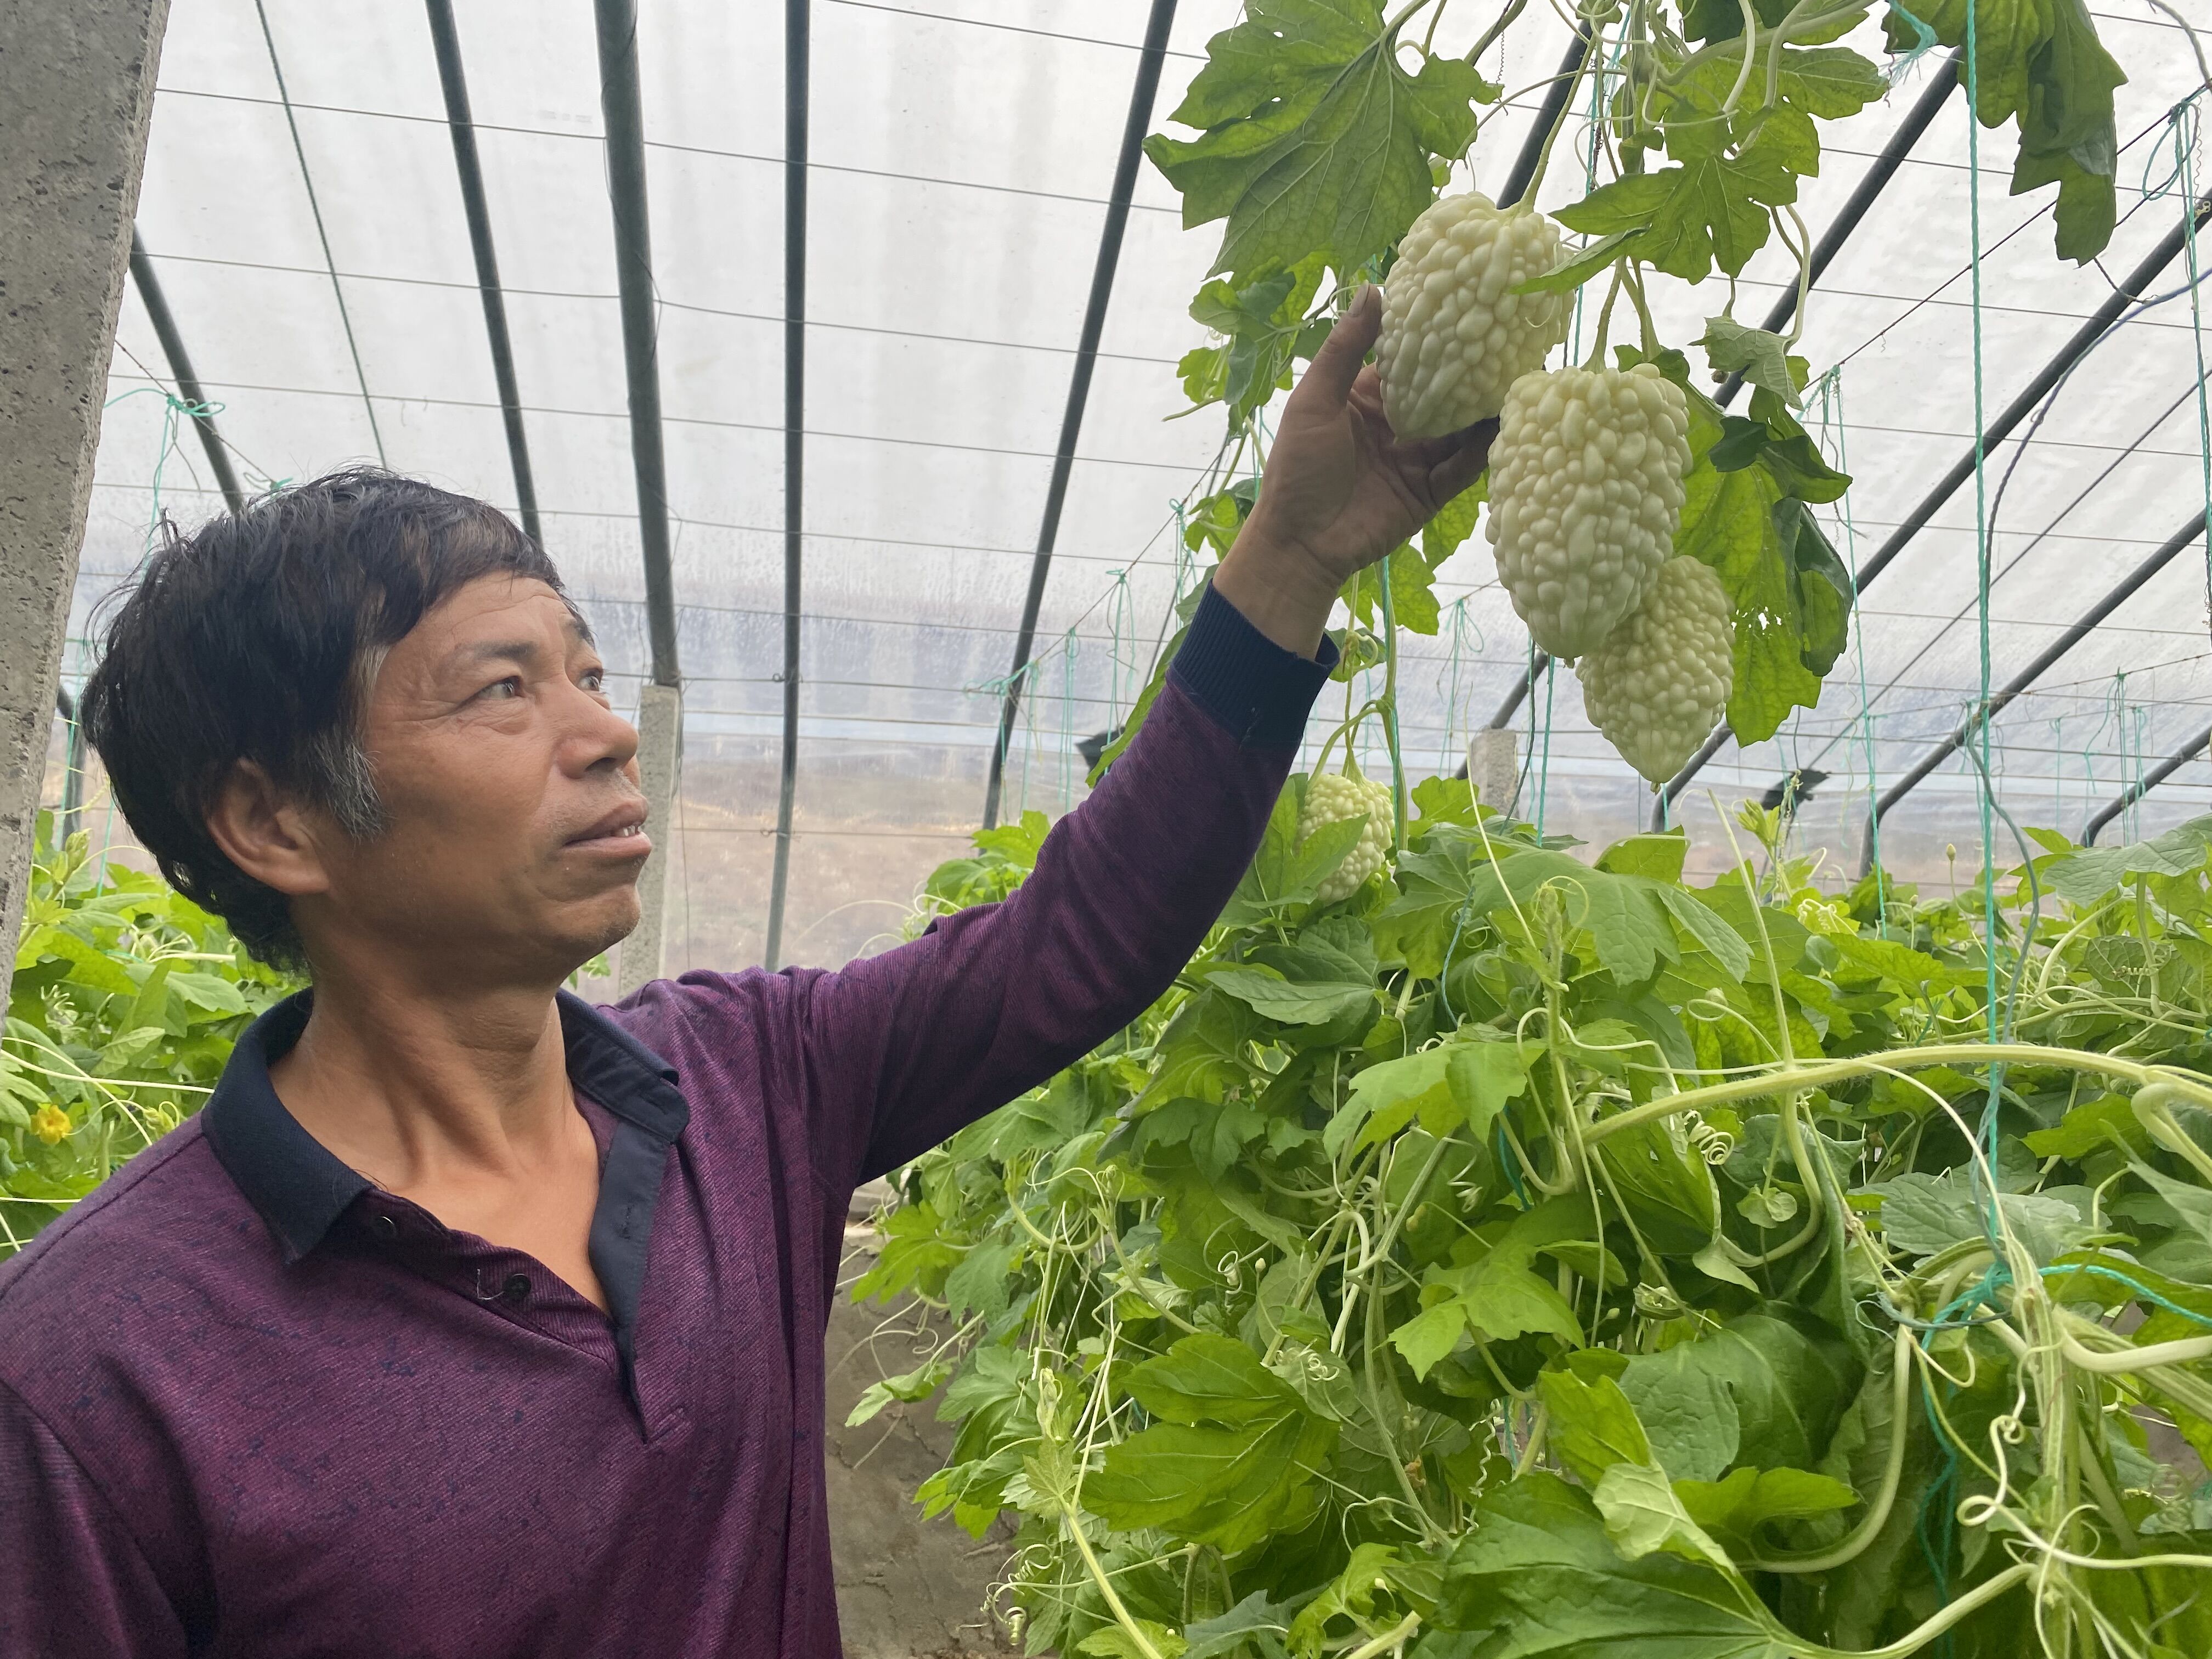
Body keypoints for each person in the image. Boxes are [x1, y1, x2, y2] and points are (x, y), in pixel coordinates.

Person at [0, 290, 1490, 1656]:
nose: (604, 731)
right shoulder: (95, 1371)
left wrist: (1290, 557)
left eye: (586, 671)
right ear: (274, 821)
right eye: (503, 688)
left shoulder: (737, 1086)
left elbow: (1077, 935)